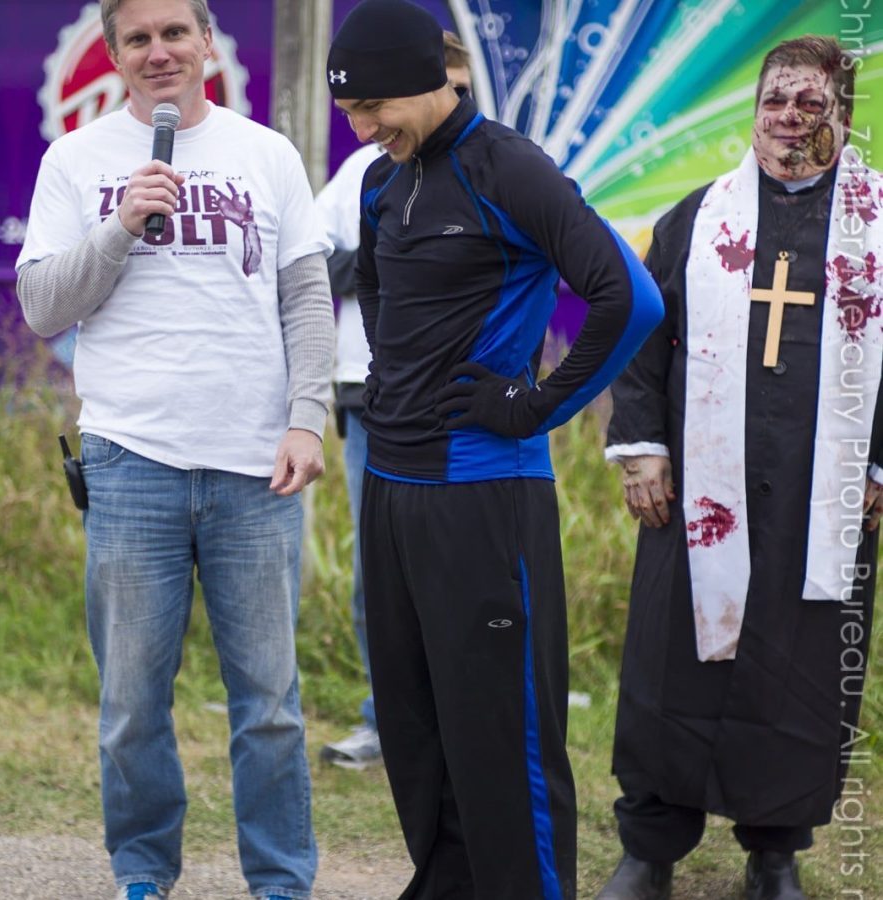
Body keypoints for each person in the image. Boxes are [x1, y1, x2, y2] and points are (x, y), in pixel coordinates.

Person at [325, 1, 664, 897]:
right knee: (416, 723)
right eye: (348, 113)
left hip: (484, 494)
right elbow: (381, 303)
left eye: (374, 109)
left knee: (501, 736)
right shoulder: (377, 183)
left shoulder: (508, 166)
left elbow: (630, 300)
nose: (362, 130)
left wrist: (536, 402)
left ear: (429, 82)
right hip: (392, 488)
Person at [15, 1, 334, 898]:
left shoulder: (265, 153)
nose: (159, 53)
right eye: (139, 39)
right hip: (130, 462)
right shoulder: (75, 162)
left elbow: (306, 300)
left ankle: (280, 882)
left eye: (175, 34)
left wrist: (307, 416)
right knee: (130, 707)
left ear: (204, 43)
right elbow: (42, 308)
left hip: (255, 467)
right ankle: (144, 875)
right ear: (112, 56)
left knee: (268, 704)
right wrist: (119, 227)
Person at [599, 35, 883, 900]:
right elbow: (643, 338)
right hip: (697, 494)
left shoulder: (875, 229)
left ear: (844, 114)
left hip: (818, 495)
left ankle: (775, 852)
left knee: (795, 670)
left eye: (811, 105)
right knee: (668, 666)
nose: (789, 119)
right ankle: (649, 850)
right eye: (775, 102)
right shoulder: (699, 217)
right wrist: (642, 447)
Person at [316, 30, 473, 771]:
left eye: (464, 88)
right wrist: (393, 256)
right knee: (381, 571)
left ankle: (469, 723)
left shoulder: (500, 163)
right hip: (374, 400)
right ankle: (389, 721)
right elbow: (309, 265)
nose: (455, 101)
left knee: (470, 572)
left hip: (472, 405)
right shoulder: (364, 169)